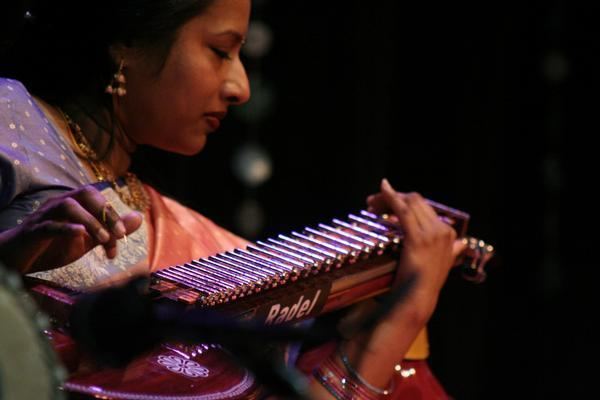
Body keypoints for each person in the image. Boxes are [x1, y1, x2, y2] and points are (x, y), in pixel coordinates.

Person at [0, 0, 465, 398]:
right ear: (127, 43)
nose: (240, 87)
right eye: (219, 51)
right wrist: (13, 259)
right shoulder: (11, 124)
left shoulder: (190, 237)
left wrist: (402, 308)